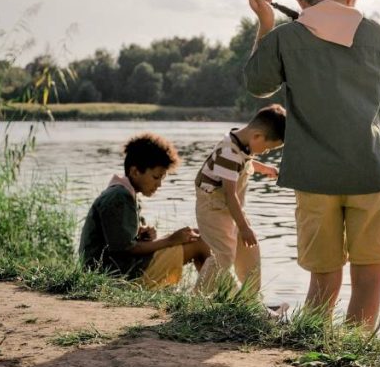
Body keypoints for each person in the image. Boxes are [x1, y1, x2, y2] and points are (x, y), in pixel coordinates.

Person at [244, 0, 380, 327]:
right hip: (368, 172)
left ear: (302, 0)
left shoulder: (285, 38)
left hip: (313, 175)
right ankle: (355, 347)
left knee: (323, 274)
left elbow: (258, 85)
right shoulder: (375, 32)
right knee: (369, 274)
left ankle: (316, 341)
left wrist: (267, 24)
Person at [79, 133, 210, 288]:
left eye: (162, 178)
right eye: (156, 177)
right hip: (113, 278)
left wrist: (140, 234)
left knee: (196, 235)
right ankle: (218, 297)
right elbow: (125, 249)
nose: (159, 184)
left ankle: (212, 294)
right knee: (200, 242)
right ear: (135, 172)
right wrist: (170, 240)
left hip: (120, 269)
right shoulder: (119, 196)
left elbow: (118, 241)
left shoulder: (125, 193)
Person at [195, 104, 285, 293]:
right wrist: (243, 227)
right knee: (224, 254)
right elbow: (229, 194)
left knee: (250, 253)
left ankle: (250, 302)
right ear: (257, 136)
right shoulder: (229, 152)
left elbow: (245, 162)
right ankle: (197, 297)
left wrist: (265, 168)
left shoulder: (242, 144)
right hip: (213, 208)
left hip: (231, 208)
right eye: (268, 148)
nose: (266, 152)